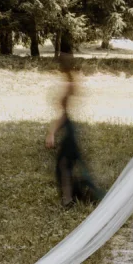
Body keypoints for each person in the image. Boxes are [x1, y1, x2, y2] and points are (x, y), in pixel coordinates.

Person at [45, 45, 104, 208]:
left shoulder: (70, 84)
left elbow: (64, 113)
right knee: (65, 164)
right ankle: (70, 197)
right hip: (69, 128)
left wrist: (51, 132)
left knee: (64, 164)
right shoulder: (69, 82)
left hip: (69, 128)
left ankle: (68, 199)